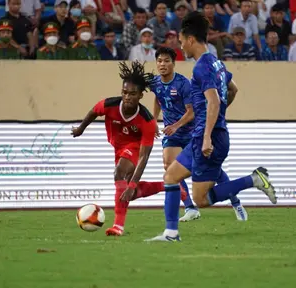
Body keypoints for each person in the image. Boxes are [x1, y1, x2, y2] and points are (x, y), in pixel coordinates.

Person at [143, 11, 277, 242]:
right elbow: (232, 90)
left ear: (191, 39)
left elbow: (214, 100)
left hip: (209, 137)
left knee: (202, 199)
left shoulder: (201, 67)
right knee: (170, 176)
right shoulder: (217, 63)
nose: (181, 46)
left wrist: (207, 135)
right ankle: (171, 233)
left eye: (182, 40)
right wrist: (219, 116)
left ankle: (254, 179)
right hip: (206, 134)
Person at [71, 61, 186, 237]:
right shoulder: (109, 105)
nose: (127, 97)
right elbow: (94, 111)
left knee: (119, 175)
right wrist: (80, 129)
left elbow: (144, 157)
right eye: (125, 92)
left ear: (140, 95)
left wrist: (132, 183)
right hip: (117, 146)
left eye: (132, 94)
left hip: (134, 147)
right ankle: (168, 186)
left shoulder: (146, 120)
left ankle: (118, 226)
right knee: (127, 194)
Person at [151, 46, 248, 222]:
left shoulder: (184, 84)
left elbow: (192, 111)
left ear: (174, 64)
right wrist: (153, 120)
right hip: (173, 134)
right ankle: (189, 207)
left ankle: (235, 200)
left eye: (166, 61)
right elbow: (158, 99)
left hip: (191, 130)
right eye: (159, 61)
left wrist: (176, 125)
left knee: (214, 171)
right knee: (169, 166)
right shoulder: (156, 83)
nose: (162, 64)